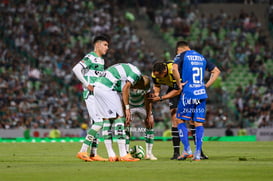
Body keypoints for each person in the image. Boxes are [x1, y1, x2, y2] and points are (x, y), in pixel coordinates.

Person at [149, 61, 209, 160]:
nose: (158, 77)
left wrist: (161, 98)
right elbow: (157, 85)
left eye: (160, 75)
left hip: (188, 90)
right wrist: (156, 94)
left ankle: (199, 152)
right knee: (174, 118)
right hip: (173, 89)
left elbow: (178, 90)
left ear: (165, 70)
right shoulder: (155, 74)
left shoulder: (175, 70)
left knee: (192, 120)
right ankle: (176, 153)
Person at [172, 40, 221, 161]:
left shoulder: (181, 55)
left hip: (188, 93)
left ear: (179, 49)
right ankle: (197, 153)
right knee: (198, 123)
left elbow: (173, 69)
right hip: (201, 93)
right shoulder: (201, 57)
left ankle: (187, 149)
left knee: (179, 119)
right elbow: (216, 71)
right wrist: (206, 85)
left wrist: (179, 84)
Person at [93, 63, 150, 162]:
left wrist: (125, 108)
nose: (135, 89)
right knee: (119, 118)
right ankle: (123, 154)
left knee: (107, 120)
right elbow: (125, 89)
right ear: (140, 83)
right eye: (138, 87)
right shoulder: (136, 74)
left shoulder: (124, 78)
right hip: (107, 88)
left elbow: (123, 95)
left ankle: (111, 155)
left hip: (97, 87)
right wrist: (127, 109)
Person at [72, 34, 110, 162]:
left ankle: (94, 153)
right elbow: (76, 69)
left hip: (98, 94)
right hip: (90, 94)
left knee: (95, 124)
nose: (107, 48)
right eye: (105, 45)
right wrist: (86, 84)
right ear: (97, 45)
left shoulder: (101, 60)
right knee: (99, 122)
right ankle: (83, 151)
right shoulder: (90, 57)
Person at [125, 81, 157, 160]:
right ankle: (125, 153)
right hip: (130, 106)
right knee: (125, 124)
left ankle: (149, 154)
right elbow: (123, 98)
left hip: (142, 106)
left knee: (150, 123)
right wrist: (126, 111)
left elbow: (148, 99)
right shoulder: (127, 85)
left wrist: (148, 115)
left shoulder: (145, 83)